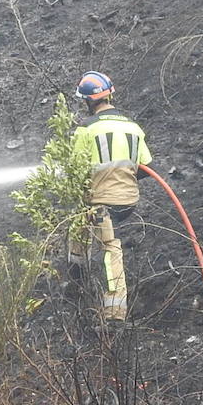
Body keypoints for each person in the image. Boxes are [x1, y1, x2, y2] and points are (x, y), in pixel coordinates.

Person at [67, 71, 152, 322]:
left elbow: (76, 171)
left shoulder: (86, 129)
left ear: (87, 101)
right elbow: (147, 167)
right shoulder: (133, 128)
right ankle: (76, 282)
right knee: (79, 226)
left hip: (101, 203)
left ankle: (115, 313)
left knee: (109, 248)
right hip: (128, 201)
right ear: (110, 94)